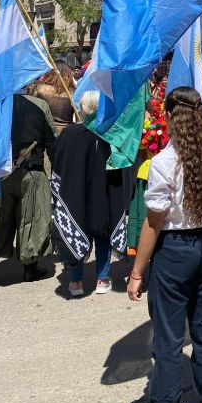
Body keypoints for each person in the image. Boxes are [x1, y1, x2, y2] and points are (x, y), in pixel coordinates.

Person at [127, 87, 202, 403]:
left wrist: (137, 272)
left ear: (170, 118)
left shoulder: (164, 163)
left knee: (169, 338)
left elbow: (154, 223)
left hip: (177, 249)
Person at [51, 91, 133, 297]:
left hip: (76, 192)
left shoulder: (70, 134)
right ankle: (102, 279)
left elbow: (57, 163)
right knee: (102, 231)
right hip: (103, 192)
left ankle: (76, 281)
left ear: (83, 108)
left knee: (78, 228)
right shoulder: (112, 134)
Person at [0, 88, 57, 289]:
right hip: (32, 172)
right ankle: (30, 267)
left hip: (1, 174)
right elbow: (51, 140)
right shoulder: (40, 106)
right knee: (31, 219)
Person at [32, 61, 75, 134]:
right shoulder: (74, 93)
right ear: (68, 74)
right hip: (65, 135)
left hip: (44, 133)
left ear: (49, 73)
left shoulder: (38, 88)